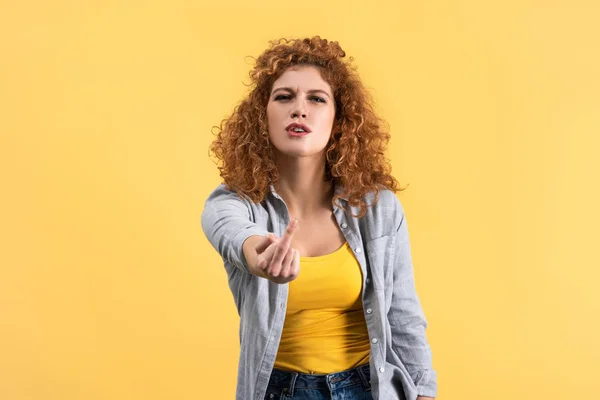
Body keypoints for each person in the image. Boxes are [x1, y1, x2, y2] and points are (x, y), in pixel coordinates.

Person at [201, 36, 437, 400]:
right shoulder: (234, 203)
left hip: (370, 389)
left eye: (316, 98)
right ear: (262, 116)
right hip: (279, 391)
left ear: (339, 119)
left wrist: (423, 392)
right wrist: (257, 252)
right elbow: (230, 232)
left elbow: (404, 317)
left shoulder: (379, 208)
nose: (299, 110)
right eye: (284, 97)